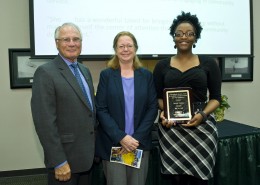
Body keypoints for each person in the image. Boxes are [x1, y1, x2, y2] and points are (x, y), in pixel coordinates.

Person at [153, 12, 222, 185]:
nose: (184, 37)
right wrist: (166, 113)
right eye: (179, 33)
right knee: (176, 180)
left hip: (202, 127)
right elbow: (156, 98)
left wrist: (203, 115)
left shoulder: (209, 63)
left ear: (196, 37)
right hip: (171, 129)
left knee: (200, 179)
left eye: (189, 33)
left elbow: (215, 98)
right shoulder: (162, 66)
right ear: (173, 37)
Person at [31, 22, 96, 185]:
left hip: (87, 160)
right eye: (66, 39)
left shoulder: (84, 70)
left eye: (76, 39)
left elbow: (89, 112)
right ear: (56, 43)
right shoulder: (45, 72)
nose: (72, 43)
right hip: (65, 161)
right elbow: (44, 122)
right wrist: (58, 161)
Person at [95, 31, 158, 185]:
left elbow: (152, 107)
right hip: (114, 144)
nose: (125, 49)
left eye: (129, 45)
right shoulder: (106, 75)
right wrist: (122, 137)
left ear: (135, 49)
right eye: (121, 46)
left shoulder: (146, 75)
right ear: (115, 50)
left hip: (139, 144)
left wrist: (135, 139)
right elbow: (101, 109)